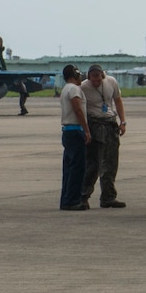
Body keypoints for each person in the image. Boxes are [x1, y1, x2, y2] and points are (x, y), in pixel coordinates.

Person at [79, 63, 127, 209]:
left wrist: (122, 121)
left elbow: (118, 100)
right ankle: (83, 196)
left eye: (98, 79)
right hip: (94, 124)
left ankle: (108, 197)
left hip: (110, 124)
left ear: (103, 76)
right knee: (93, 164)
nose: (95, 82)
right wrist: (85, 130)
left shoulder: (111, 82)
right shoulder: (83, 87)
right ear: (88, 77)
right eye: (93, 79)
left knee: (111, 164)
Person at [58, 64, 90, 210]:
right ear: (75, 74)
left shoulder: (65, 89)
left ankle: (66, 199)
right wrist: (87, 130)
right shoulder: (74, 89)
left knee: (69, 168)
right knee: (77, 168)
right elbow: (77, 109)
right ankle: (73, 200)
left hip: (67, 131)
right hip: (75, 130)